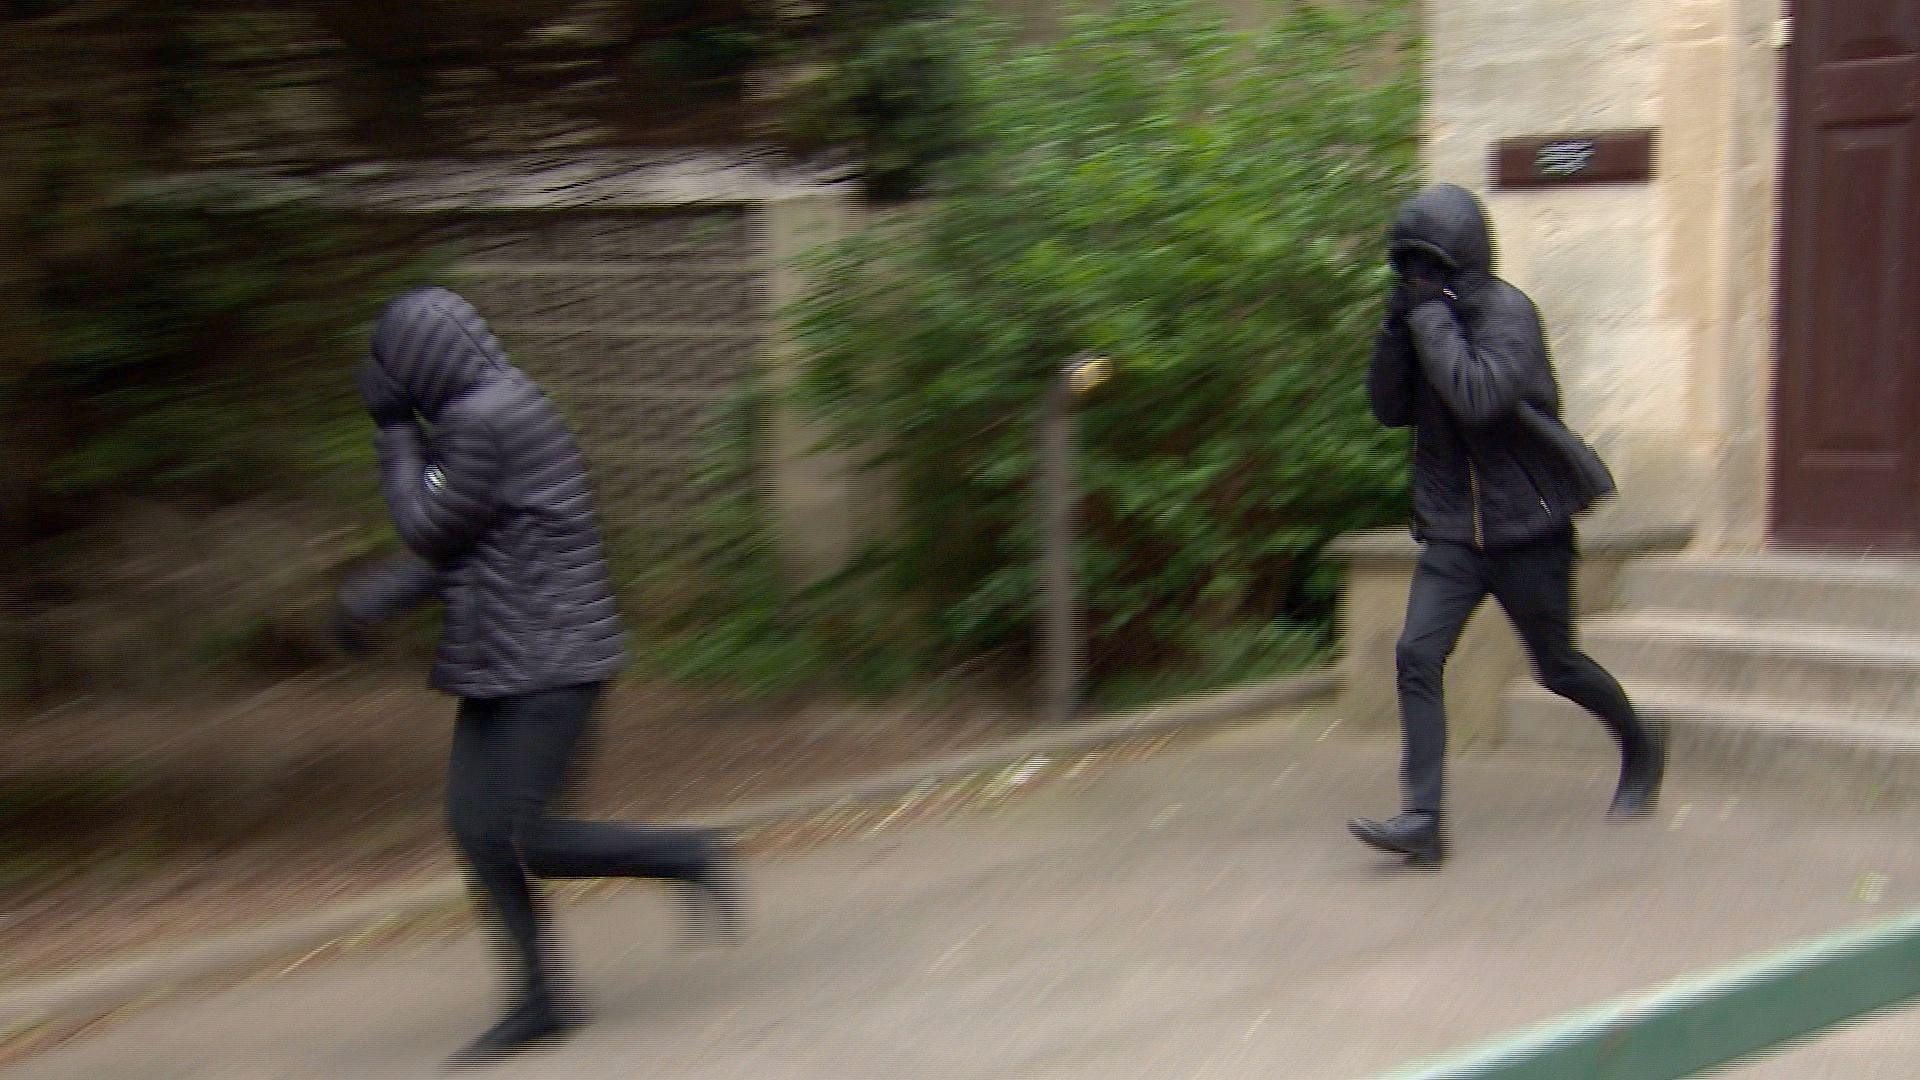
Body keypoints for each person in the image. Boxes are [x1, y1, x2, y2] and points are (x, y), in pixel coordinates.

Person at [335, 286, 742, 1065]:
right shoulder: (482, 412)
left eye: (394, 370)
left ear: (421, 361)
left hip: (554, 656)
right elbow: (462, 543)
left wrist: (392, 430)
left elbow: (425, 524)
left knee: (531, 835)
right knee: (475, 828)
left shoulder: (490, 417)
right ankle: (540, 1000)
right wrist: (371, 604)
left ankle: (687, 855)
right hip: (504, 655)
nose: (391, 386)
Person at [1348, 184, 1667, 869]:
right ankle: (1424, 820)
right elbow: (1387, 406)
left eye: (1426, 266)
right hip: (1455, 533)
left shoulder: (1509, 313)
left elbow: (1478, 397)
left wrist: (1428, 315)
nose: (1417, 280)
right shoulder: (1426, 316)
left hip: (1529, 528)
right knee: (1416, 656)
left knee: (1558, 668)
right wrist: (1394, 325)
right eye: (1408, 268)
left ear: (1460, 260)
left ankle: (1641, 744)